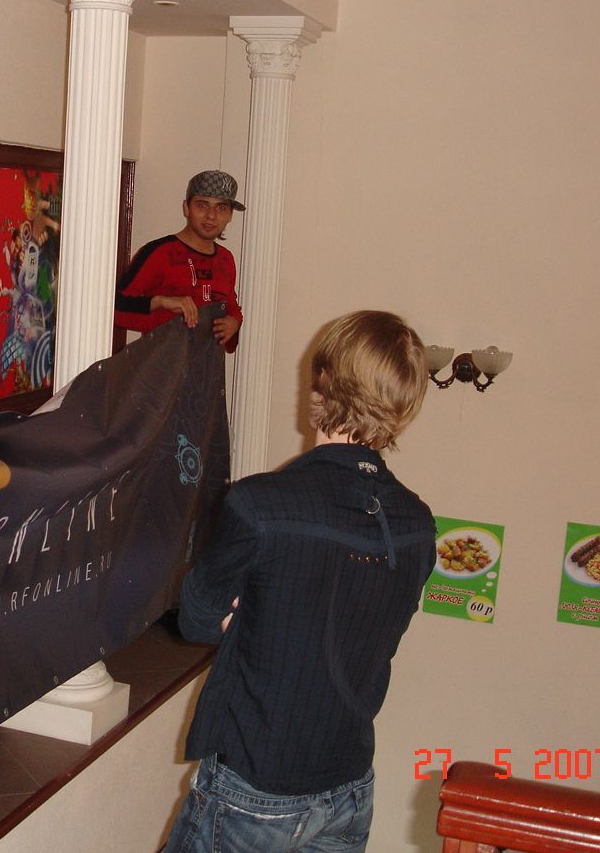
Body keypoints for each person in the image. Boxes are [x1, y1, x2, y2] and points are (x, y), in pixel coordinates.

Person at [164, 310, 435, 853]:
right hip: (350, 787)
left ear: (325, 382)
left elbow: (196, 619)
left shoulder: (259, 503)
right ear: (402, 405)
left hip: (256, 788)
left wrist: (244, 613)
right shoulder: (417, 522)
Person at [114, 169, 245, 352]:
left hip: (208, 367)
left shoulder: (225, 259)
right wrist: (161, 302)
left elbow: (232, 308)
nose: (211, 215)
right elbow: (115, 308)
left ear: (230, 215)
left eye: (221, 208)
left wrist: (234, 323)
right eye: (202, 205)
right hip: (162, 365)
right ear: (186, 208)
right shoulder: (160, 253)